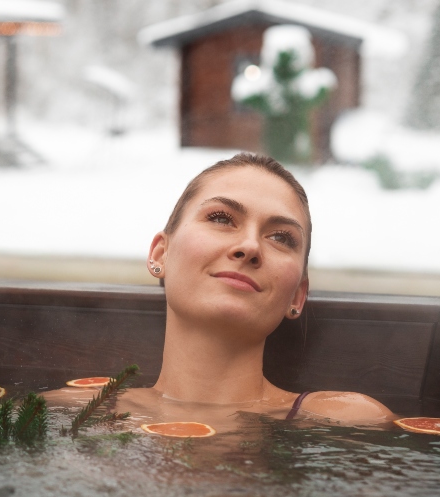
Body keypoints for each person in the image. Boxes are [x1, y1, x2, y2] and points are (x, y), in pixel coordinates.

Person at [45, 152, 393, 427]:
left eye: (281, 237)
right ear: (160, 254)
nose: (250, 246)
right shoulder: (69, 412)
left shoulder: (349, 420)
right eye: (222, 218)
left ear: (298, 295)